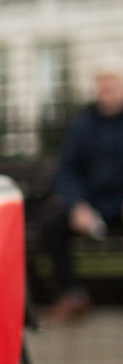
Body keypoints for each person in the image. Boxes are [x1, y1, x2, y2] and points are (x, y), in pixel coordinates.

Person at [41, 59, 123, 320]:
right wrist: (77, 205)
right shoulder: (82, 125)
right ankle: (73, 293)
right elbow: (68, 170)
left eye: (112, 87)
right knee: (51, 226)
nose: (106, 93)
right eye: (102, 87)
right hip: (92, 203)